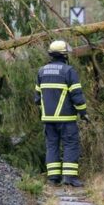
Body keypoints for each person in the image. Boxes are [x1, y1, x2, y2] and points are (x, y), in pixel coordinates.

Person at [35, 40, 88, 187]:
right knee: (71, 144)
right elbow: (77, 95)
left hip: (48, 119)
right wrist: (83, 112)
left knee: (52, 146)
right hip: (66, 119)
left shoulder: (41, 71)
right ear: (64, 55)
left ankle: (53, 178)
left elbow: (37, 98)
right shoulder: (68, 71)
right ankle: (69, 178)